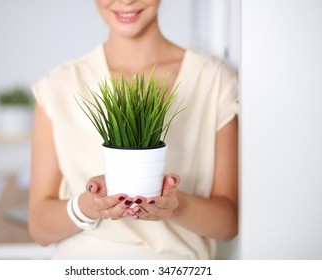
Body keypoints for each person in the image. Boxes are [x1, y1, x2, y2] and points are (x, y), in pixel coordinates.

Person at [29, 0, 238, 260]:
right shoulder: (57, 86)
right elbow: (39, 229)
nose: (126, 1)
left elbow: (228, 224)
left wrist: (174, 204)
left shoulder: (214, 79)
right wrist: (89, 206)